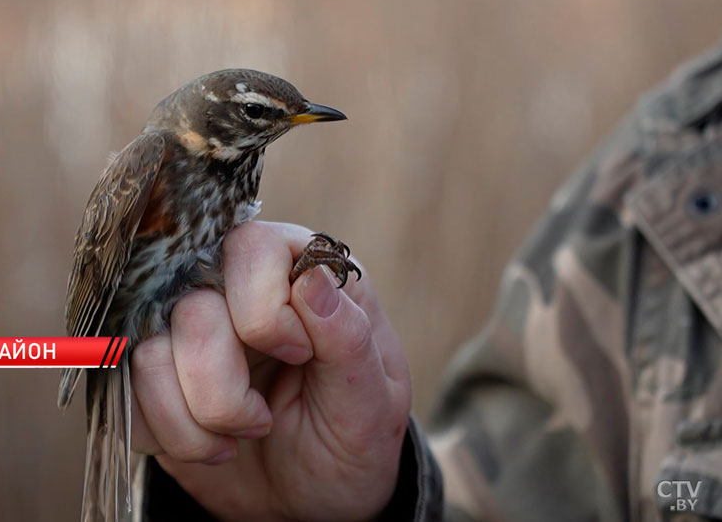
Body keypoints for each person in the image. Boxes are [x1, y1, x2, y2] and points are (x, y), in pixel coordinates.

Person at [127, 39, 722, 521]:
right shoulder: (669, 168)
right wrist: (365, 509)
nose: (301, 121)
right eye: (266, 116)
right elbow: (524, 493)